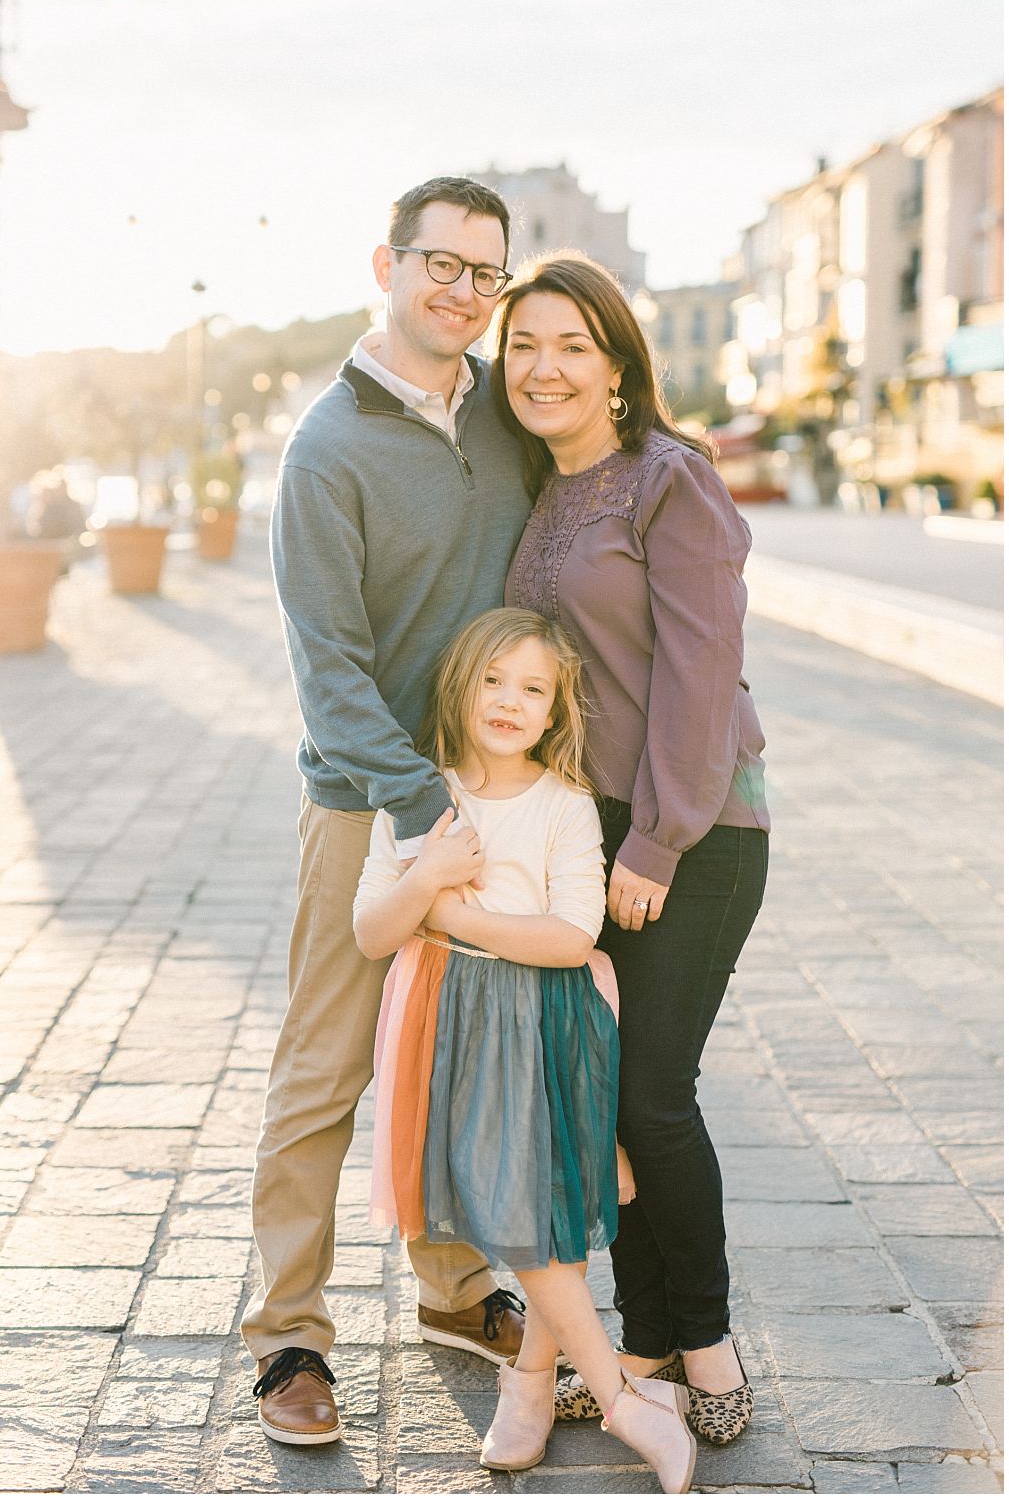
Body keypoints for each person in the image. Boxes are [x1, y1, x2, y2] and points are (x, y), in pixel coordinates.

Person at [243, 177, 535, 1446]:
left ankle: (458, 1289)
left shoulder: (508, 420)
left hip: (491, 798)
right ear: (387, 264)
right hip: (368, 805)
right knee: (328, 1063)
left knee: (461, 1053)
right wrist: (421, 808)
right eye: (441, 264)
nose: (462, 292)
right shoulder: (326, 447)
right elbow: (330, 669)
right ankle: (289, 1335)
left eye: (486, 273)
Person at [493, 252, 771, 1447]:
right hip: (588, 832)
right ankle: (645, 1337)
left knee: (654, 1096)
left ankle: (704, 1339)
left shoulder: (672, 481)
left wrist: (657, 838)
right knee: (611, 1105)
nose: (543, 368)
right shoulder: (542, 489)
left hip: (696, 829)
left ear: (616, 366)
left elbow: (703, 682)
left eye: (570, 345)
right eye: (522, 347)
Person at [354, 607, 698, 1495]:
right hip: (451, 1021)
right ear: (460, 686)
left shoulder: (563, 803)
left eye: (533, 688)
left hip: (546, 1018)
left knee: (546, 1210)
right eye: (493, 680)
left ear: (555, 710)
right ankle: (560, 1386)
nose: (510, 701)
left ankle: (597, 1396)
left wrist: (456, 914)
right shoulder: (420, 796)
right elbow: (369, 930)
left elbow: (573, 930)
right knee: (522, 1209)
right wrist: (426, 874)